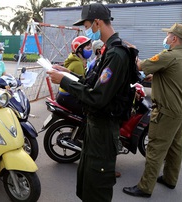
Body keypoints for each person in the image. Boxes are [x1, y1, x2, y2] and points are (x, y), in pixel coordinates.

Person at [47, 3, 133, 201]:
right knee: (88, 184)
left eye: (87, 25)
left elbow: (98, 96)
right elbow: (93, 83)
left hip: (103, 131)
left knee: (98, 188)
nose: (87, 30)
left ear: (97, 22)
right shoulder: (108, 50)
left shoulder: (116, 54)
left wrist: (65, 82)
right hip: (94, 128)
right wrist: (67, 73)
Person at [122, 23, 182, 198]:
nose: (167, 37)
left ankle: (145, 187)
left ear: (175, 38)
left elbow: (139, 66)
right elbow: (175, 77)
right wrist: (156, 75)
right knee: (175, 146)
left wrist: (134, 52)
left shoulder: (168, 56)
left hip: (166, 112)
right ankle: (170, 179)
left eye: (169, 35)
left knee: (156, 148)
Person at [55, 36, 92, 116]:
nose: (90, 51)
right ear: (80, 49)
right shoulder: (78, 64)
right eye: (88, 49)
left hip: (62, 95)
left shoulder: (75, 60)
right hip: (68, 97)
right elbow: (80, 86)